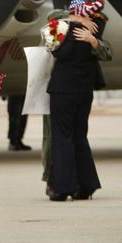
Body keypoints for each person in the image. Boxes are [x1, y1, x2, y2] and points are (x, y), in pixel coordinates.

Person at [45, 0, 110, 201]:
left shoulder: (58, 26)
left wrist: (69, 22)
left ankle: (63, 188)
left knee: (62, 137)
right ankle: (86, 186)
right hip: (84, 90)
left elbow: (58, 52)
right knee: (80, 136)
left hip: (63, 89)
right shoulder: (96, 27)